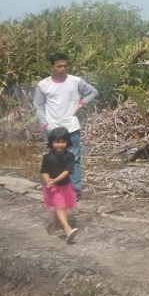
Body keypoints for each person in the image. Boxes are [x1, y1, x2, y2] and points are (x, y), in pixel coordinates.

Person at [33, 53, 98, 196]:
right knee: (53, 159)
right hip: (52, 128)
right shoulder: (44, 84)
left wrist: (81, 103)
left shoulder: (75, 81)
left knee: (74, 158)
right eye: (59, 66)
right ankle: (55, 187)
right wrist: (44, 124)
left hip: (71, 127)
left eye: (65, 66)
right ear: (52, 67)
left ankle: (74, 190)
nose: (63, 69)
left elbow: (92, 92)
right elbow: (38, 105)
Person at [41, 126, 79, 242]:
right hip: (53, 188)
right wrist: (48, 180)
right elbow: (44, 171)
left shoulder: (70, 156)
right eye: (56, 142)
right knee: (60, 206)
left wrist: (55, 180)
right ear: (52, 143)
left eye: (62, 142)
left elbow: (67, 171)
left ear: (67, 142)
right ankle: (68, 229)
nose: (59, 145)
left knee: (61, 207)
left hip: (65, 186)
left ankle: (54, 225)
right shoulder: (47, 157)